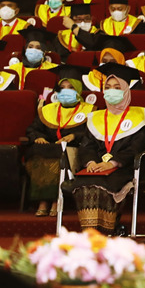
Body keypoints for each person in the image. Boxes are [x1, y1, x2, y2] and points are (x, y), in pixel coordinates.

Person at [68, 63, 145, 235]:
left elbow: (137, 147)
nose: (111, 91)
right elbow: (87, 145)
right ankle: (91, 233)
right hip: (96, 167)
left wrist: (112, 163)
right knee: (82, 183)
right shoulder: (96, 117)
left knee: (104, 184)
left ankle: (107, 231)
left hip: (124, 167)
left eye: (117, 87)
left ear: (126, 90)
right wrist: (91, 162)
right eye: (107, 87)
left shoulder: (140, 117)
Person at [24, 65, 92, 217]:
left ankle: (54, 200)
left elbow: (92, 133)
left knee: (57, 157)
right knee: (37, 153)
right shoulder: (48, 109)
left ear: (79, 89)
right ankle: (43, 200)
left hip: (72, 149)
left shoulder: (89, 110)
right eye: (62, 88)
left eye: (71, 88)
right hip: (47, 148)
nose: (66, 91)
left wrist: (74, 136)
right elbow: (32, 129)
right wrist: (38, 137)